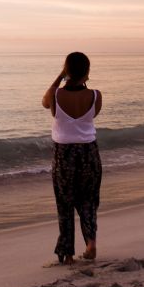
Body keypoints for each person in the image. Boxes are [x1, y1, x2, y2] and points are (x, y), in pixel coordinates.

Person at [41, 52, 103, 265]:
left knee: (65, 204)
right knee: (88, 201)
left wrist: (61, 75)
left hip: (63, 156)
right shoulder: (95, 96)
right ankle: (91, 243)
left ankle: (67, 255)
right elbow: (91, 116)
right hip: (89, 153)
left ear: (67, 70)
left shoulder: (56, 96)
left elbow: (44, 103)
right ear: (87, 71)